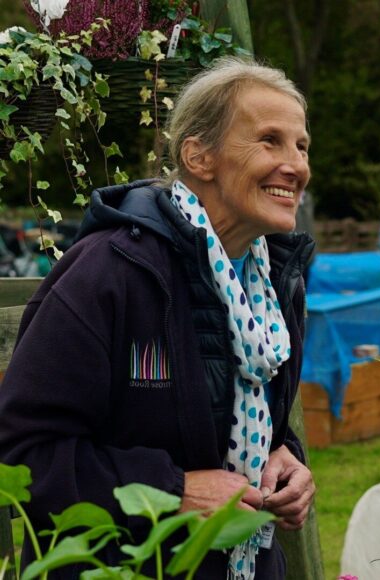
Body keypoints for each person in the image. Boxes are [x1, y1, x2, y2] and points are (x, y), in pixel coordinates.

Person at [0, 57, 316, 579]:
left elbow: (246, 419)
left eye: (301, 146)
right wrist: (171, 492)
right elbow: (24, 453)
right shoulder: (110, 272)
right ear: (199, 155)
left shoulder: (276, 278)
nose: (296, 164)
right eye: (270, 140)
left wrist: (285, 457)